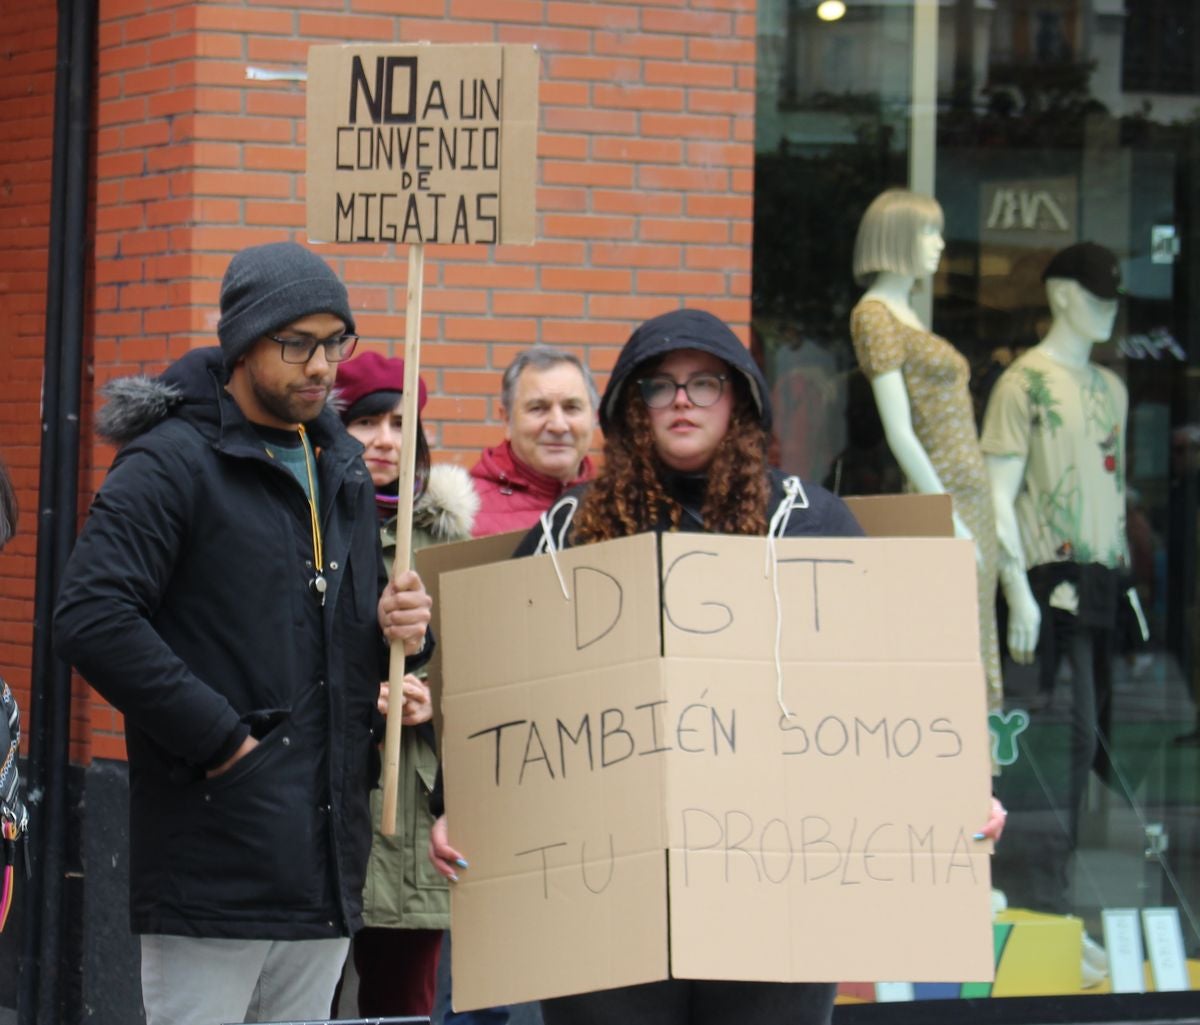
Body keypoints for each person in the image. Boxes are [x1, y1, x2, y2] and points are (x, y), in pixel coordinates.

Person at [431, 307, 1008, 1025]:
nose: (680, 400)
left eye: (704, 383)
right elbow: (506, 689)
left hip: (774, 897)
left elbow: (893, 686)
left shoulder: (810, 522)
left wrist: (954, 791)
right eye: (659, 386)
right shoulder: (572, 529)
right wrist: (460, 805)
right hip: (609, 903)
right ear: (630, 406)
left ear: (738, 398)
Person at [52, 242, 433, 1025]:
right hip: (214, 856)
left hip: (325, 861)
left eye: (336, 341)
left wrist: (400, 633)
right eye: (297, 342)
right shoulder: (170, 463)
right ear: (243, 341)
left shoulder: (343, 467)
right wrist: (225, 743)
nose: (322, 365)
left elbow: (332, 634)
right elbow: (91, 616)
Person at [980, 241, 1128, 913]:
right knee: (1038, 743)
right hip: (1042, 584)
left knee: (1089, 745)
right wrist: (1016, 592)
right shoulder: (1023, 385)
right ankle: (1028, 897)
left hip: (1100, 587)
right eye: (1098, 297)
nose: (1110, 312)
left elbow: (1113, 491)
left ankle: (1061, 903)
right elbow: (995, 493)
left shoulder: (1112, 390)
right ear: (1063, 294)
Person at [332, 351, 478, 1019]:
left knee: (402, 1004)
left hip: (414, 816)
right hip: (334, 806)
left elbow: (483, 680)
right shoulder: (310, 529)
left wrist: (433, 699)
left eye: (399, 423)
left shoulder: (449, 543)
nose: (385, 440)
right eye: (366, 421)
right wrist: (365, 696)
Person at [849, 188, 1003, 719]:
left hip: (970, 492)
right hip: (944, 496)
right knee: (954, 639)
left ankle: (982, 789)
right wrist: (947, 516)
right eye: (927, 232)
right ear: (896, 240)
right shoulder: (874, 316)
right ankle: (957, 777)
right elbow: (899, 431)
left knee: (978, 631)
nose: (939, 244)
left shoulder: (906, 312)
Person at [469, 346, 597, 537]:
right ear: (507, 419)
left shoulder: (619, 505)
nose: (558, 425)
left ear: (594, 418)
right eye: (538, 408)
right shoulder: (462, 513)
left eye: (571, 407)